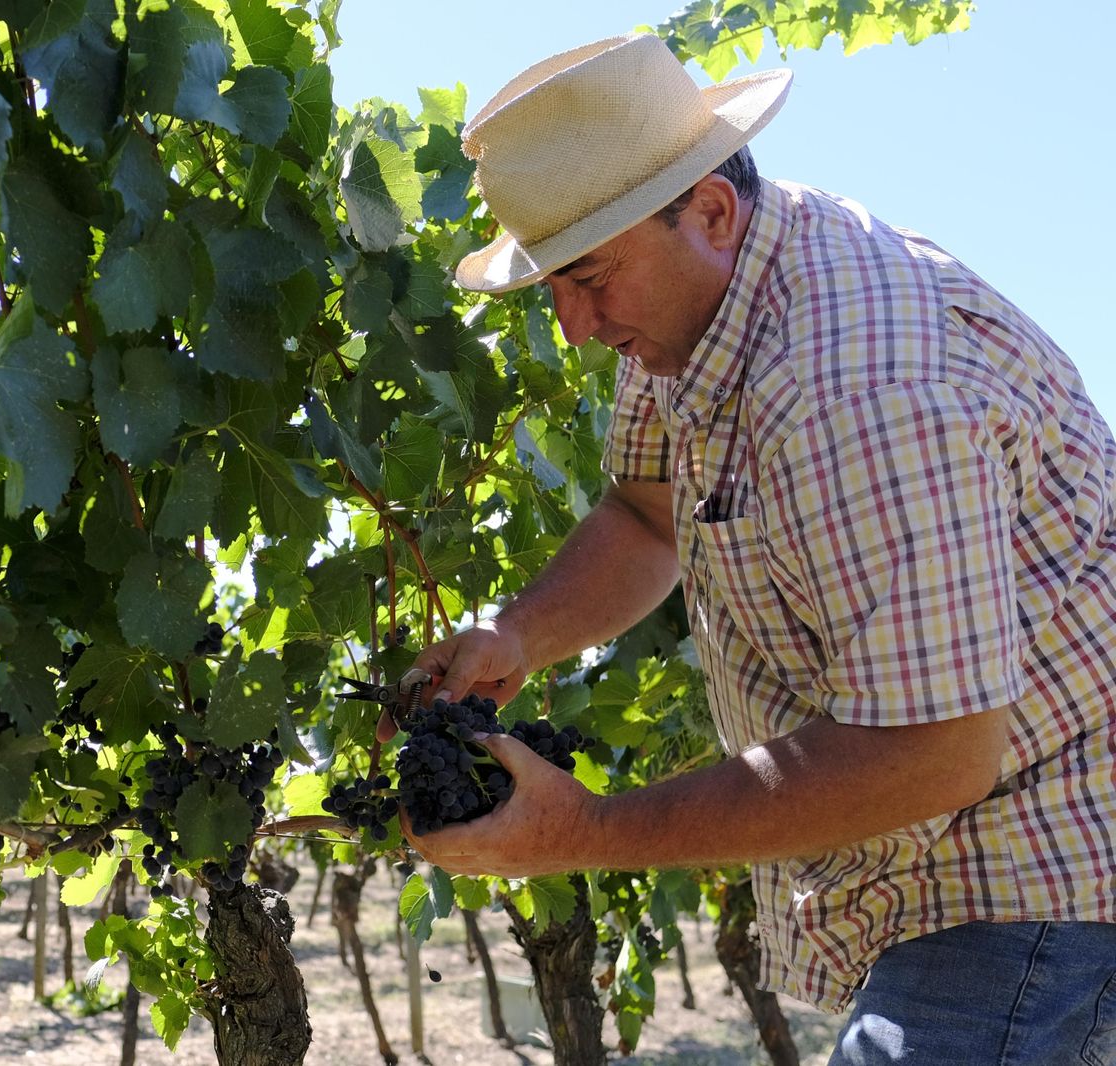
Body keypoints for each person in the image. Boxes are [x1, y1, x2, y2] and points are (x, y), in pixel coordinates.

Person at [389, 32, 1116, 1065]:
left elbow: (937, 751)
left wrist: (584, 832)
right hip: (952, 845)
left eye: (589, 278)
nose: (575, 325)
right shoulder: (692, 307)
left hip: (1049, 841)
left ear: (714, 213)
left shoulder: (857, 387)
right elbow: (647, 517)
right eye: (553, 284)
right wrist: (518, 632)